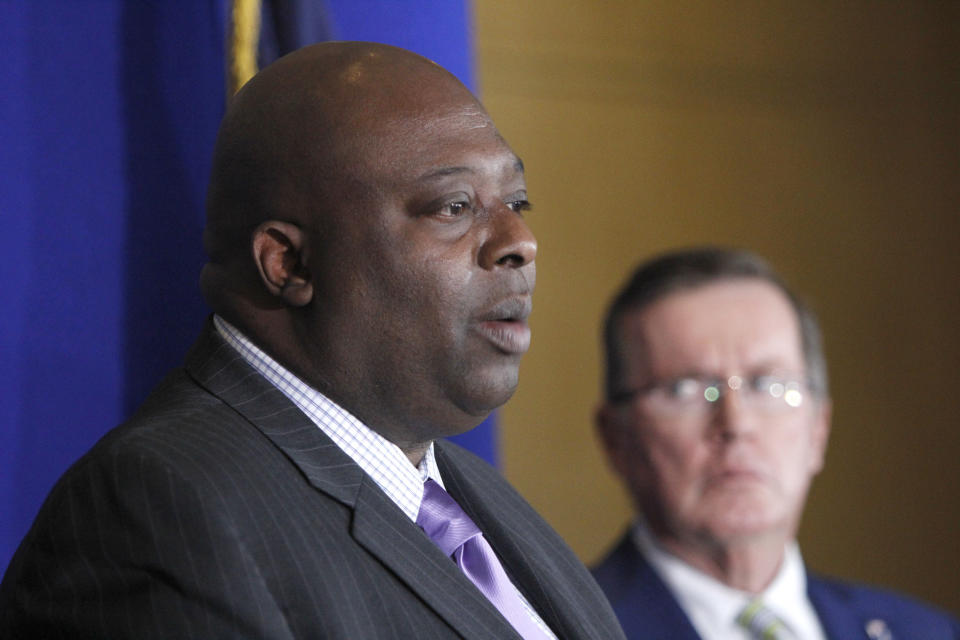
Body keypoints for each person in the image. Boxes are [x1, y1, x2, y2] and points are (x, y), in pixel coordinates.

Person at [0, 42, 625, 640]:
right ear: (289, 264)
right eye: (453, 206)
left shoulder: (473, 496)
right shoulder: (157, 510)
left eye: (517, 199)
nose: (520, 240)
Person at [591, 247, 959, 640]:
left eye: (767, 385)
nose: (736, 423)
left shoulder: (929, 631)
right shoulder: (562, 629)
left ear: (819, 427)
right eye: (685, 389)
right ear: (616, 439)